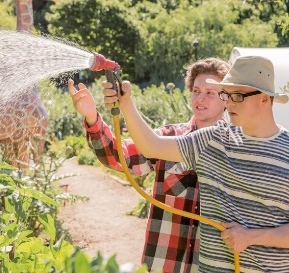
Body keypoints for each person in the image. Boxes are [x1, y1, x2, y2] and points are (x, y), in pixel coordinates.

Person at [98, 55, 289, 272]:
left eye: (237, 96)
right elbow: (152, 146)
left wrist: (253, 236)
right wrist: (126, 104)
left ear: (264, 99)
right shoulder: (213, 140)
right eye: (226, 95)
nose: (228, 103)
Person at [68, 57, 231, 273]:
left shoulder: (236, 150)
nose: (200, 98)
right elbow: (119, 157)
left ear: (227, 99)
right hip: (164, 264)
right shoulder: (167, 139)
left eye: (210, 93)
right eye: (196, 91)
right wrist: (92, 117)